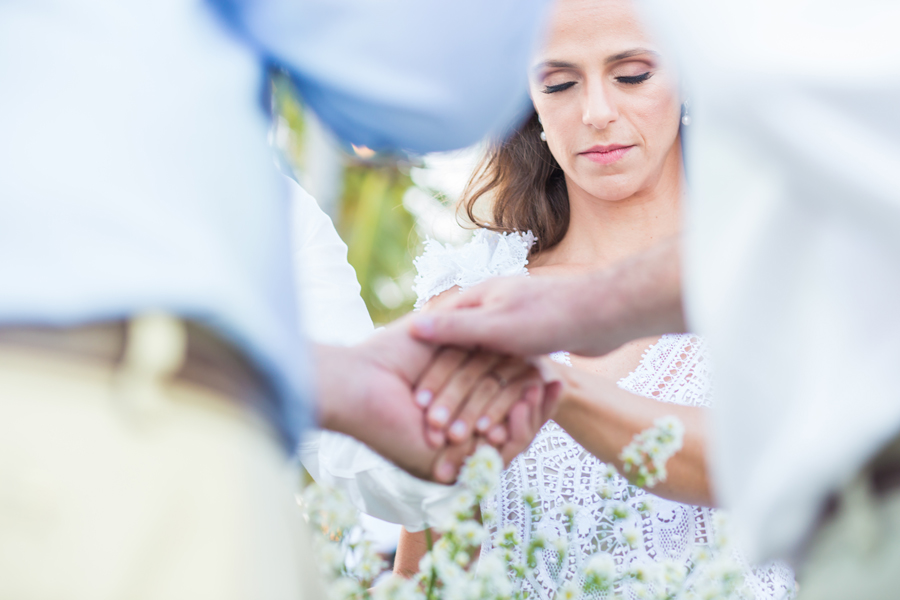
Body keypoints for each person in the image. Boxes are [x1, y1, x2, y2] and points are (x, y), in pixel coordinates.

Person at [0, 1, 557, 598]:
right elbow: (434, 82)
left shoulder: (274, 216)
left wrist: (378, 405)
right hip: (125, 437)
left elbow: (357, 455)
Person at [410, 1, 900, 598]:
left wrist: (549, 383)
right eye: (559, 83)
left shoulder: (779, 265)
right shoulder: (469, 304)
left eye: (633, 74)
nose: (596, 112)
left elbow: (781, 461)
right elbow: (427, 566)